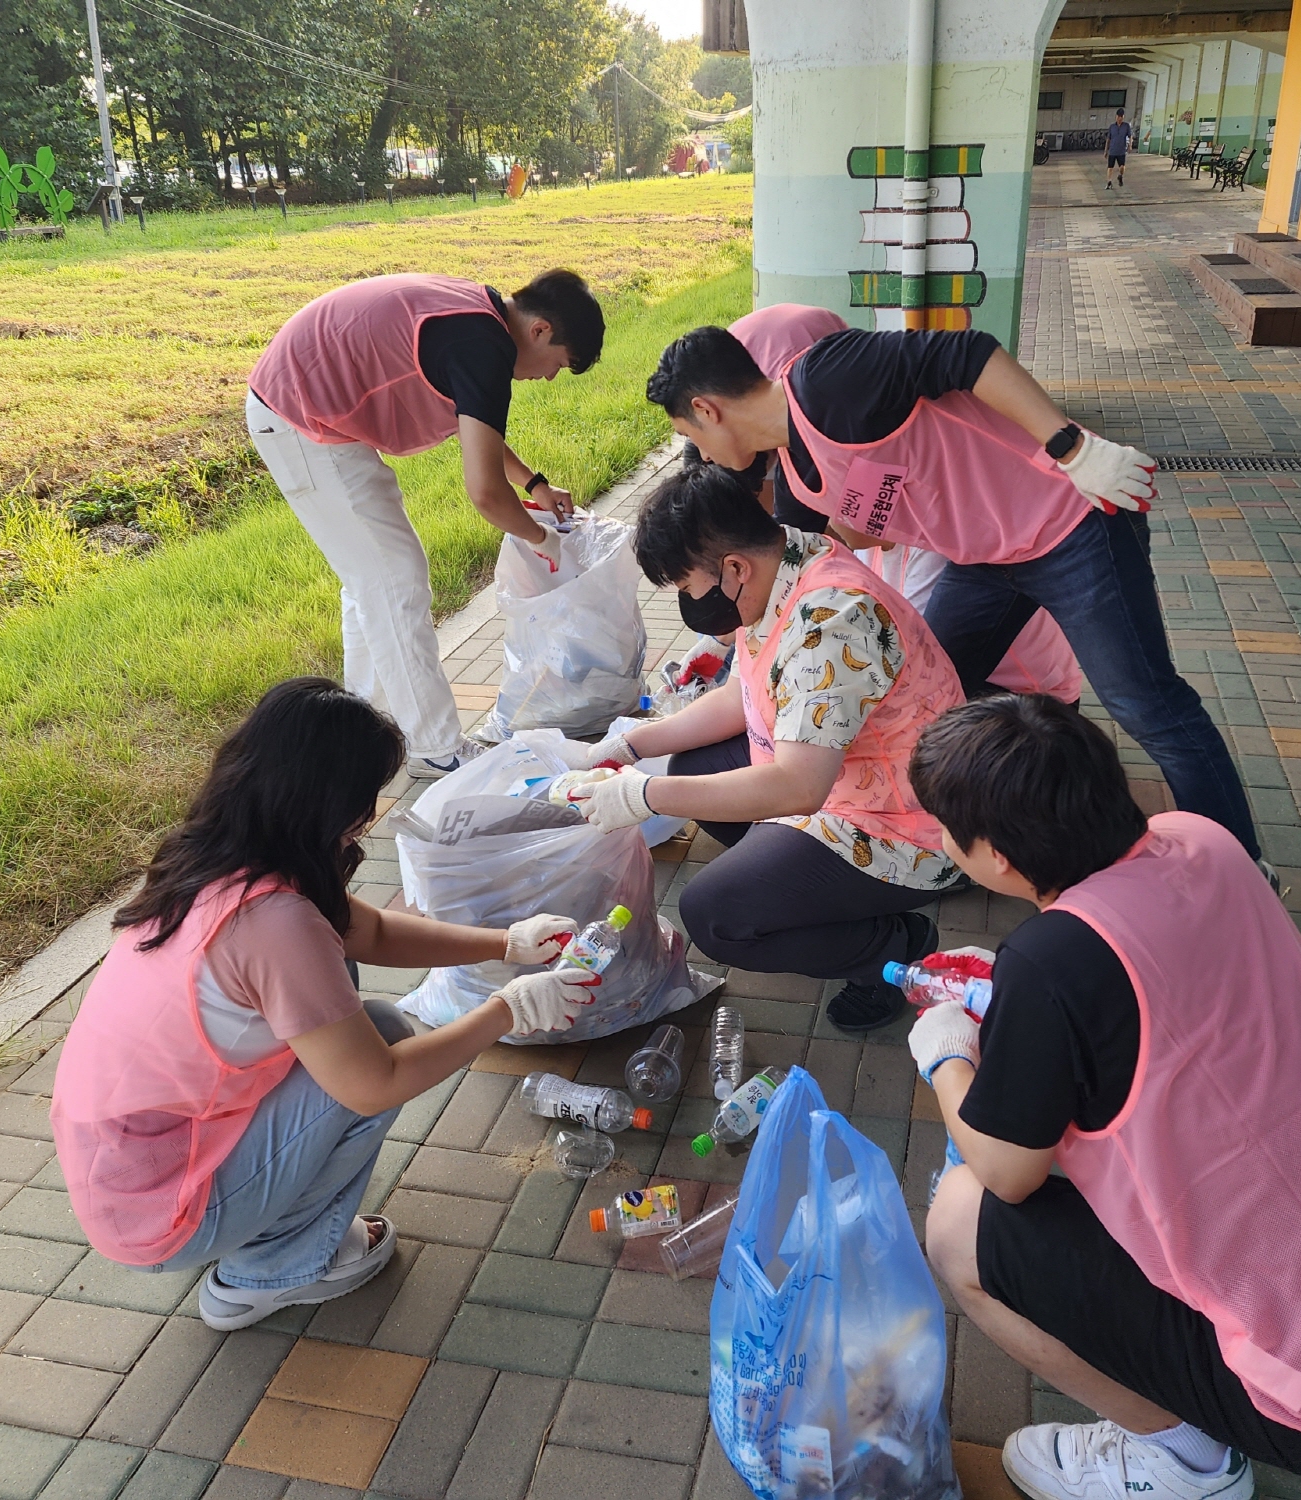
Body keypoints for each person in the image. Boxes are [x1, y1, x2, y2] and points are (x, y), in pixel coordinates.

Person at [903, 695, 1301, 1500]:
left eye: (945, 827)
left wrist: (943, 1057)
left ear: (998, 857)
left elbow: (1009, 1173)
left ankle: (1184, 1464)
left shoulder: (1050, 962)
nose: (939, 839)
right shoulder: (1200, 839)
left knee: (959, 1221)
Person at [51, 678, 594, 1332]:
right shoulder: (274, 924)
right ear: (326, 802)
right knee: (378, 1055)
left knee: (378, 1025)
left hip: (131, 1167)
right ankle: (265, 1272)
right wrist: (507, 1011)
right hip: (158, 1209)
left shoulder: (221, 856)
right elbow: (375, 1085)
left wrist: (508, 943)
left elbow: (372, 931)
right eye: (365, 799)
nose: (370, 814)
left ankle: (264, 1225)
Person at [646, 323, 1266, 866]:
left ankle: (1240, 863)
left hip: (1070, 522)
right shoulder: (796, 489)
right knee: (932, 689)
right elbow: (813, 562)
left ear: (707, 408)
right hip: (984, 561)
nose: (700, 453)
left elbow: (969, 353)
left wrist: (1071, 448)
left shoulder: (826, 381)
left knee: (1145, 702)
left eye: (690, 434)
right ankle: (981, 835)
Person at [561, 464, 964, 1032]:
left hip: (902, 821)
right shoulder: (781, 567)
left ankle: (893, 946)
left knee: (714, 915)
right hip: (836, 777)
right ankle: (801, 883)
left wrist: (643, 795)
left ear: (732, 568)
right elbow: (740, 697)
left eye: (686, 588)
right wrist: (628, 746)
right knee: (693, 770)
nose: (689, 604)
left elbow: (800, 786)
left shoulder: (832, 619)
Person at [247, 269, 605, 778]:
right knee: (393, 580)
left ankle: (365, 726)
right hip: (297, 413)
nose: (548, 377)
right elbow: (484, 492)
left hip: (305, 404)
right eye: (558, 365)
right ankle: (435, 749)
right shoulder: (483, 346)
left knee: (375, 580)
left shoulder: (482, 318)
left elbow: (474, 428)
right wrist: (542, 538)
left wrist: (535, 483)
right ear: (541, 330)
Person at [731, 303, 1083, 704]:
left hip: (1020, 705)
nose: (794, 476)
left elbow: (903, 660)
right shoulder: (865, 489)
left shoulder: (928, 514)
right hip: (958, 682)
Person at [1106, 108, 1131, 189]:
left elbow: (1130, 136)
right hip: (1112, 150)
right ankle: (1109, 181)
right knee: (1110, 167)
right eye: (1118, 116)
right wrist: (1106, 150)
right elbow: (1108, 139)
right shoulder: (1112, 127)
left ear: (1123, 117)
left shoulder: (1126, 126)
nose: (1119, 118)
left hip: (1121, 151)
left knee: (1122, 167)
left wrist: (1130, 145)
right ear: (1116, 117)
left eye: (1121, 117)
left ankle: (1120, 176)